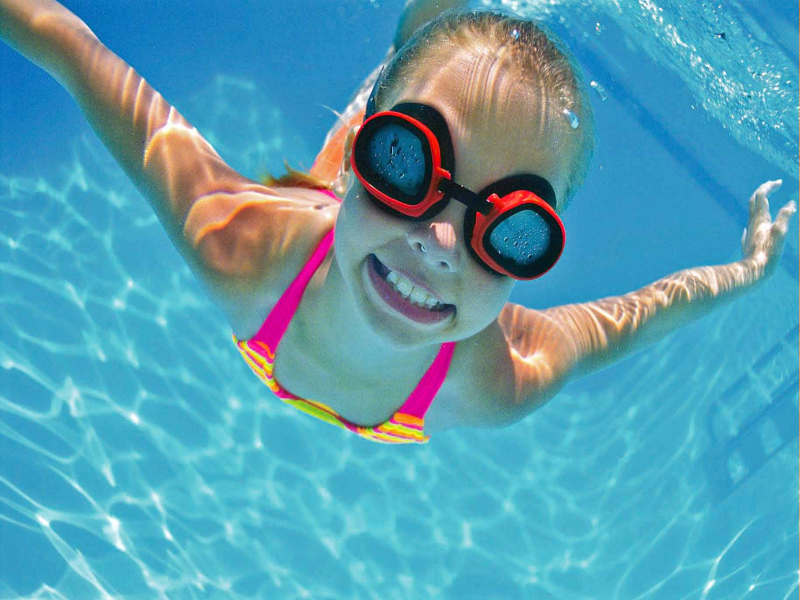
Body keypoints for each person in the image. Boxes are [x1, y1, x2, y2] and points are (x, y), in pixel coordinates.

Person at [1, 0, 795, 444]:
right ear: (362, 161)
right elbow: (79, 55)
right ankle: (416, 45)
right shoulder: (244, 247)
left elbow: (642, 316)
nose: (441, 244)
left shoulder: (497, 384)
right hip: (313, 237)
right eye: (404, 167)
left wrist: (751, 270)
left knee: (405, 121)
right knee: (378, 109)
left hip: (332, 250)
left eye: (508, 229)